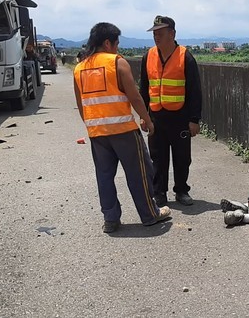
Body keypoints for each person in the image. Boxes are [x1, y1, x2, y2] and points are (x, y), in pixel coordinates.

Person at [73, 22, 171, 233]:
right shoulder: (117, 63)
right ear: (108, 43)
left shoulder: (79, 68)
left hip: (97, 133)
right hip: (123, 130)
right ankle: (150, 214)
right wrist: (148, 120)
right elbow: (135, 96)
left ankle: (110, 219)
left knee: (104, 176)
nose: (117, 48)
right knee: (140, 173)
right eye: (116, 43)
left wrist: (93, 126)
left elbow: (81, 105)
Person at [139, 15, 202, 207]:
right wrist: (144, 116)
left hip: (180, 117)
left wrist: (194, 120)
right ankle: (159, 193)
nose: (156, 36)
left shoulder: (185, 57)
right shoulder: (148, 56)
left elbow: (195, 90)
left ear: (172, 34)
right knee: (157, 157)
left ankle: (181, 190)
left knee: (182, 157)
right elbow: (144, 88)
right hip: (156, 116)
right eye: (155, 33)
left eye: (160, 33)